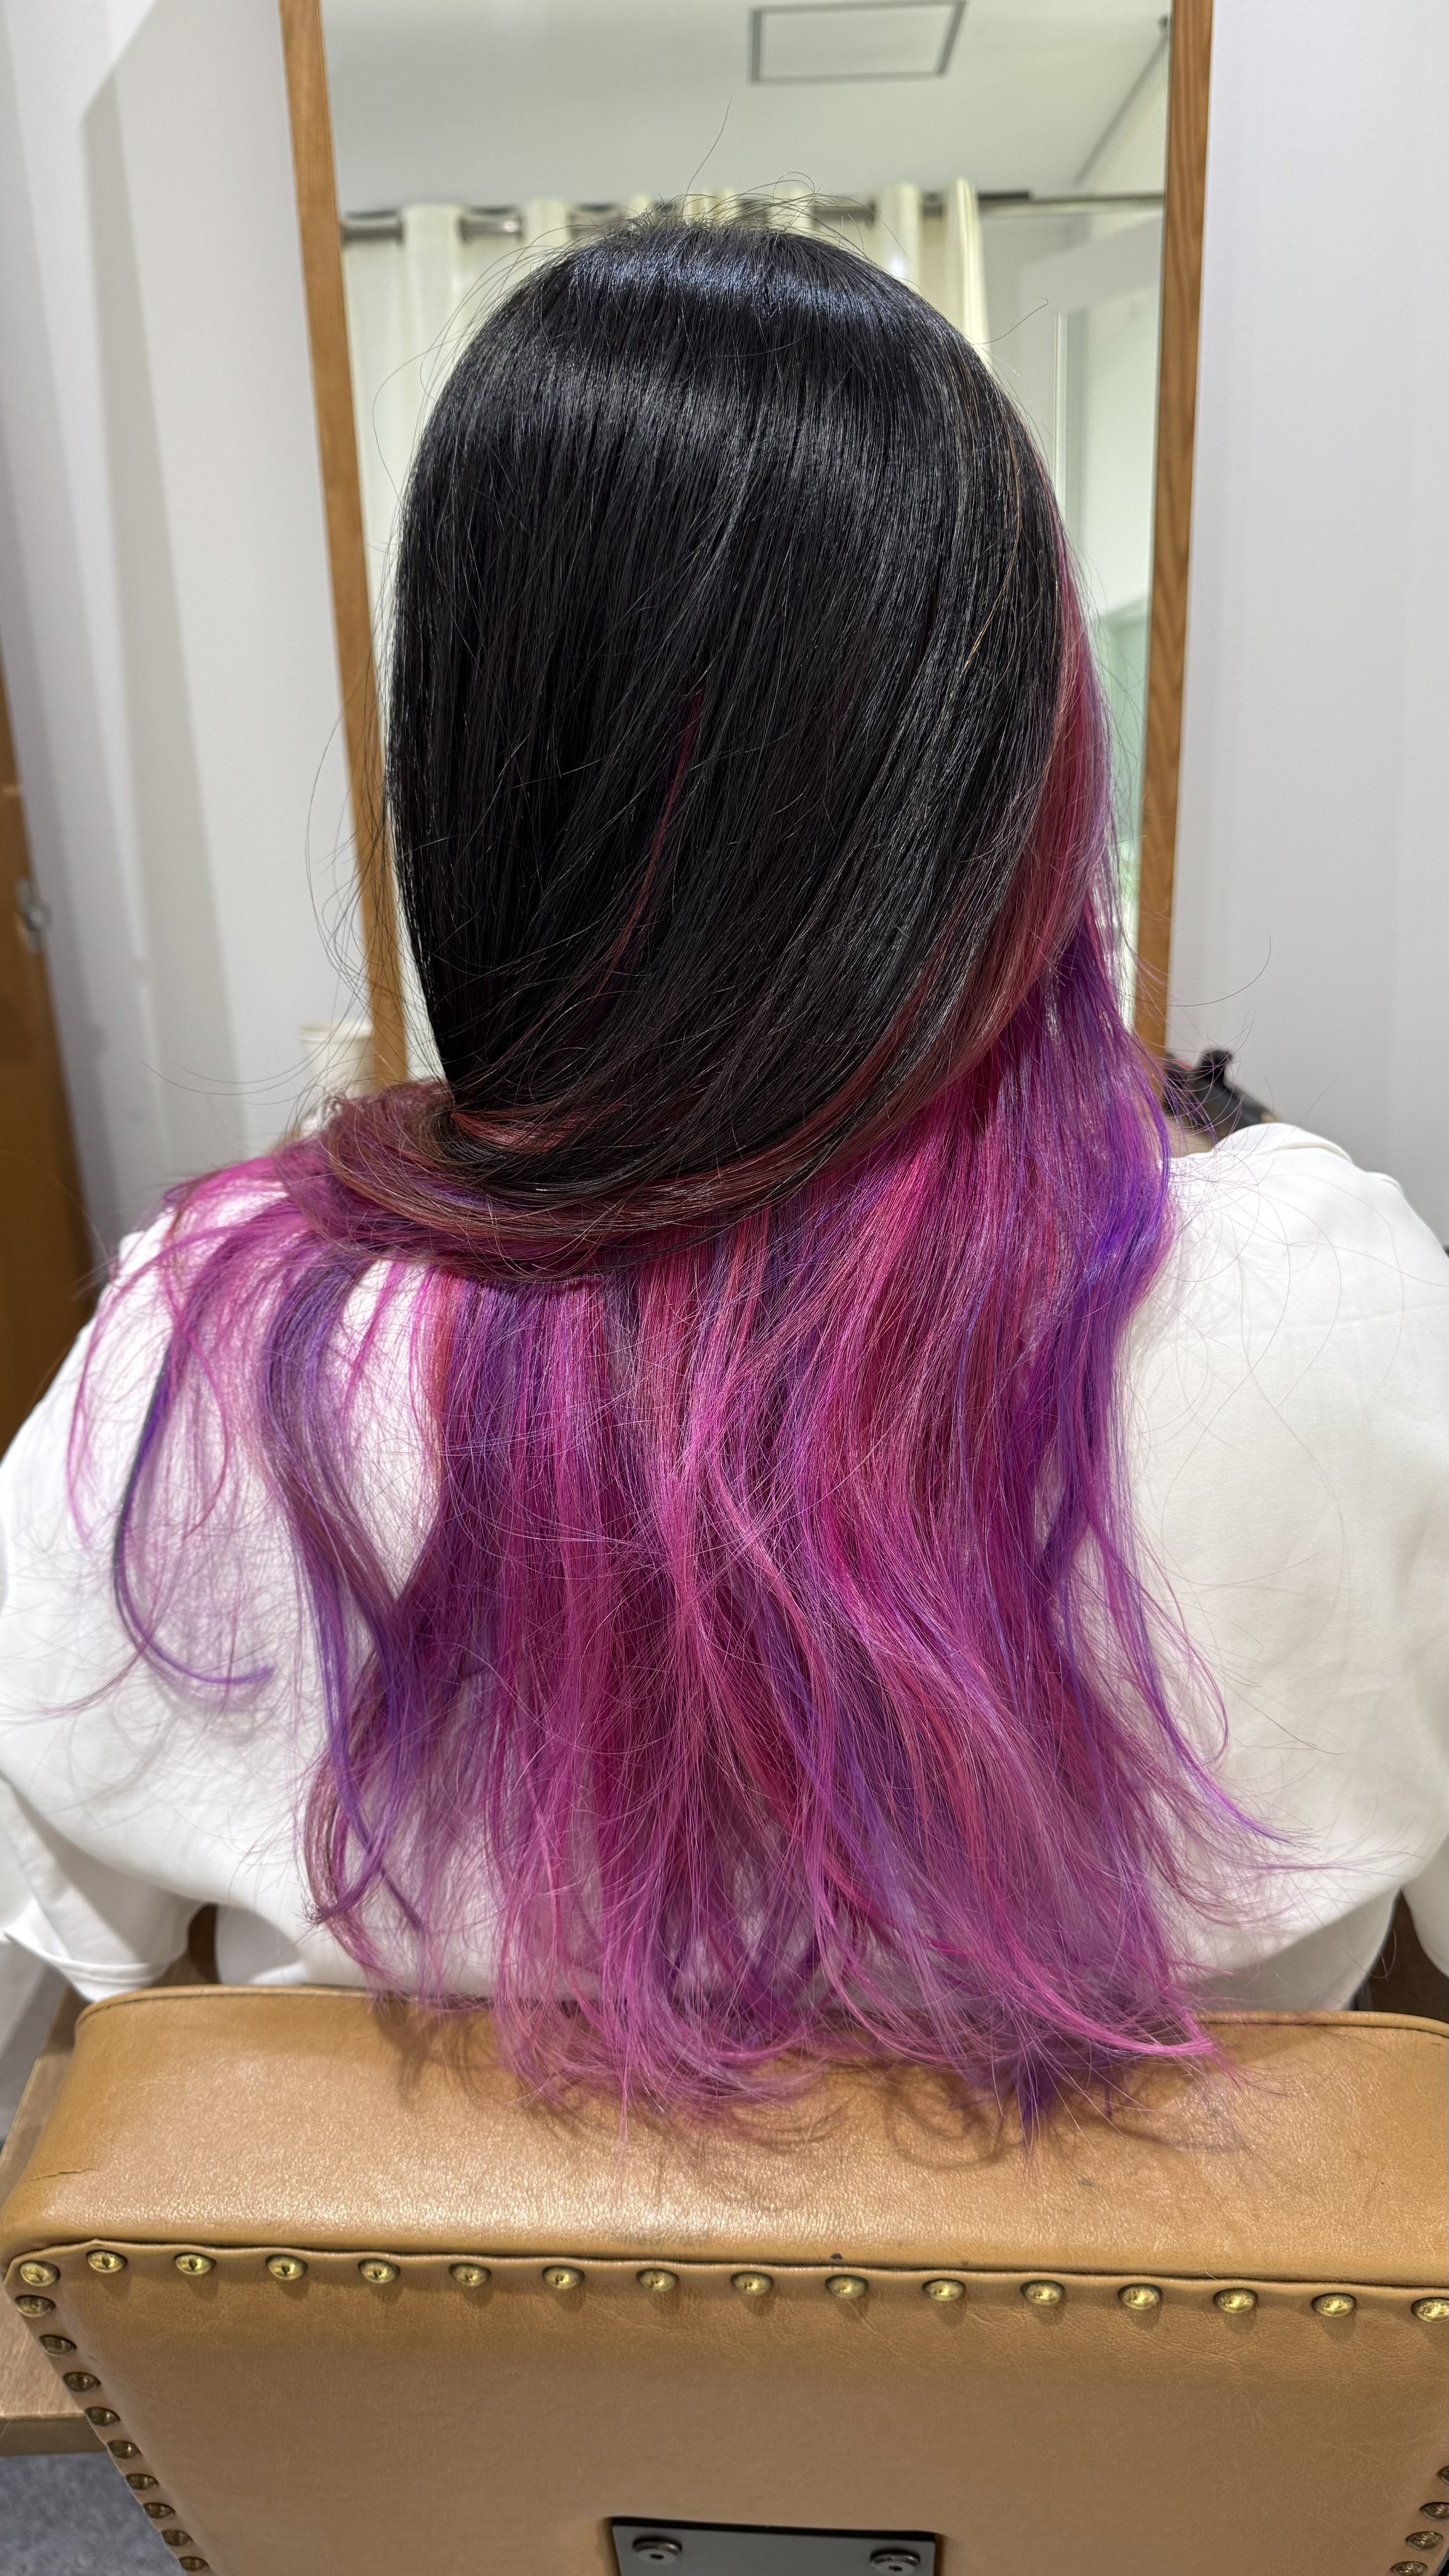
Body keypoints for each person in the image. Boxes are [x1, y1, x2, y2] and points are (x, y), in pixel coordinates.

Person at [0, 221, 1444, 2118]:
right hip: (1153, 2324)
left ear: (478, 755)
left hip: (451, 2332)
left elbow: (48, 1965)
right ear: (1009, 753)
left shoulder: (209, 1356)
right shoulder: (1333, 1314)